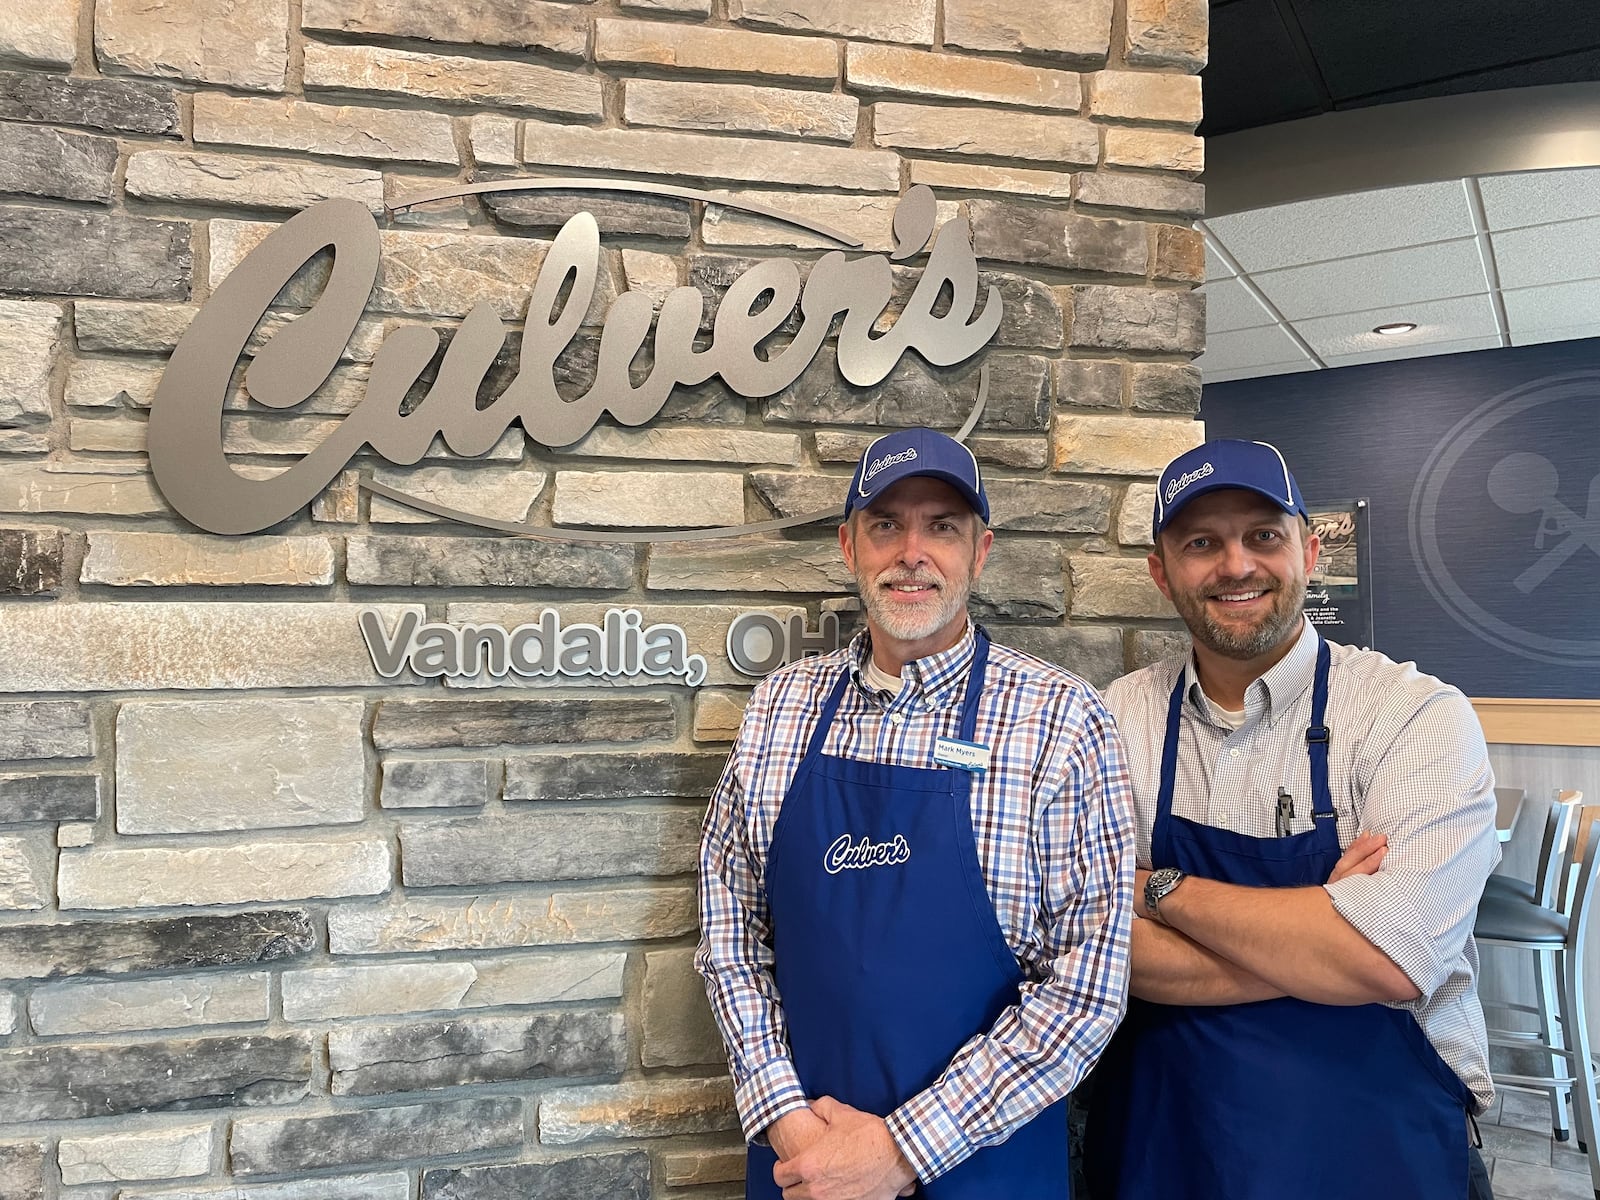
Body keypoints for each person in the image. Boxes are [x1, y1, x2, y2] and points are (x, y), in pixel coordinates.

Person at [696, 426, 1135, 1200]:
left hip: (985, 1171)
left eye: (942, 526)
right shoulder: (779, 709)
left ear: (982, 550)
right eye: (886, 524)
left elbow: (1086, 988)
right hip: (803, 1169)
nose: (912, 551)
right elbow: (729, 936)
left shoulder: (1063, 721)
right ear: (848, 545)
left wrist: (899, 1151)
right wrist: (787, 1120)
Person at [1083, 438, 1500, 1200]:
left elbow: (1387, 962)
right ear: (1160, 570)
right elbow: (1086, 949)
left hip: (1376, 1150)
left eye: (1263, 537)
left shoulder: (1415, 716)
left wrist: (1156, 890)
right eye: (1202, 542)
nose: (1236, 565)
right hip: (1167, 1145)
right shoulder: (1114, 720)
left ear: (1310, 550)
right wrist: (1320, 937)